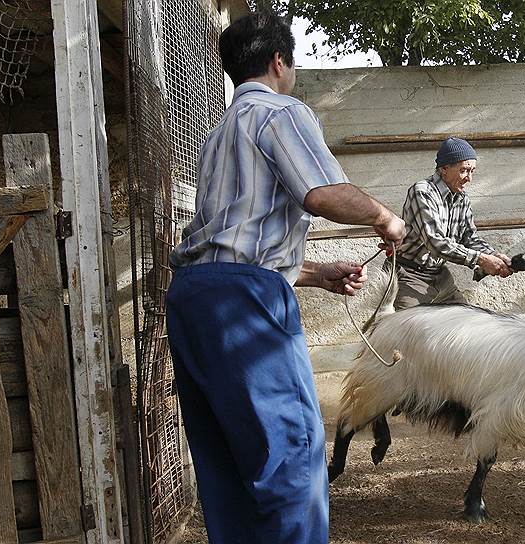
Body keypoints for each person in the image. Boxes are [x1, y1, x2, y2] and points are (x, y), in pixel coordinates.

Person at [164, 13, 405, 544]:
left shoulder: (219, 134)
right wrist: (385, 217)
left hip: (195, 299)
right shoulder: (281, 111)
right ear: (279, 62)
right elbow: (320, 193)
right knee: (290, 452)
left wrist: (317, 274)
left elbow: (235, 245)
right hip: (244, 305)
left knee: (229, 459)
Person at [392, 137, 513, 310]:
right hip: (409, 275)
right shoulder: (423, 192)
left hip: (440, 277)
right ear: (444, 168)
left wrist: (494, 255)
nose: (469, 178)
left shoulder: (462, 198)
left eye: (472, 171)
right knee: (403, 331)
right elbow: (436, 243)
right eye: (464, 170)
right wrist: (482, 260)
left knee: (467, 324)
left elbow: (469, 238)